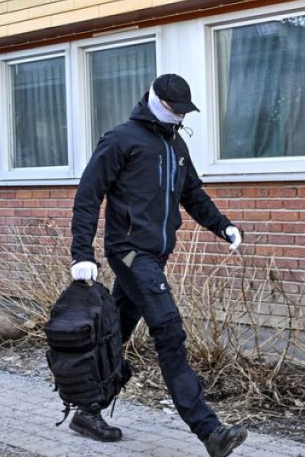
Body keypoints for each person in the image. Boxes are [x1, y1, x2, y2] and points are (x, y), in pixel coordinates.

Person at [70, 74, 247, 457]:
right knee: (168, 329)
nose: (181, 118)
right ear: (155, 101)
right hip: (130, 252)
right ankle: (209, 430)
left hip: (156, 256)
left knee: (114, 332)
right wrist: (81, 253)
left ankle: (87, 409)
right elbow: (88, 195)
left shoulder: (176, 145)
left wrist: (224, 225)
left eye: (185, 112)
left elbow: (193, 194)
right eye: (175, 110)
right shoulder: (120, 140)